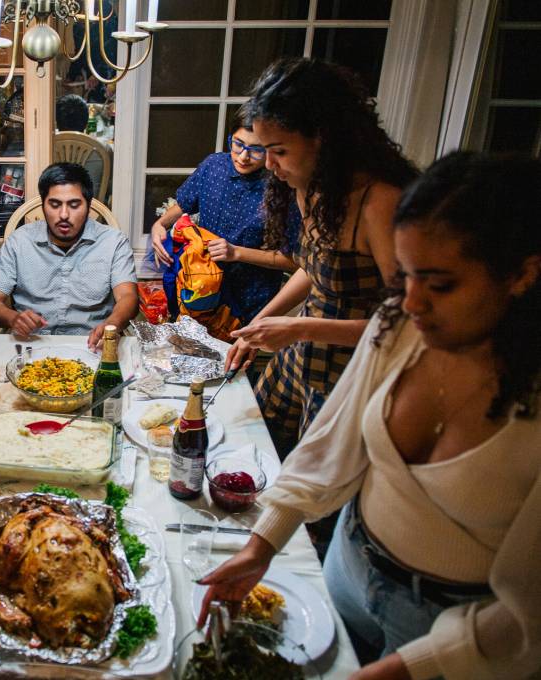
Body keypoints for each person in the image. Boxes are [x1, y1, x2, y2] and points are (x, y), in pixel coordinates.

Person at [201, 152, 541, 680]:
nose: (411, 304)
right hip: (347, 568)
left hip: (453, 634)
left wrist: (410, 666)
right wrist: (261, 546)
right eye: (403, 277)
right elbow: (329, 446)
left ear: (522, 274)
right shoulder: (397, 324)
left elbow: (529, 614)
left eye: (441, 284)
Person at [225, 58, 418, 455]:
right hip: (302, 359)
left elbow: (406, 327)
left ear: (324, 139)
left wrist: (299, 328)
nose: (269, 164)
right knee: (257, 457)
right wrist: (258, 325)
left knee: (313, 493)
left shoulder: (379, 202)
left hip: (351, 374)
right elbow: (315, 269)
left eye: (278, 151)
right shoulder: (310, 186)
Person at [150, 106, 301, 325]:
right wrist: (160, 225)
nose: (243, 156)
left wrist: (237, 253)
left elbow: (293, 261)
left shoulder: (283, 186)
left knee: (235, 359)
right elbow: (183, 204)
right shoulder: (214, 166)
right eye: (237, 144)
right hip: (199, 288)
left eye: (256, 149)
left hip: (248, 301)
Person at [0, 163, 137, 348]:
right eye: (55, 205)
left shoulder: (113, 242)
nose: (64, 215)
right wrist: (13, 318)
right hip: (32, 343)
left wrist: (112, 325)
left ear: (88, 205)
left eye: (74, 205)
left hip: (91, 344)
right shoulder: (19, 241)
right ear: (43, 204)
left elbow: (128, 297)